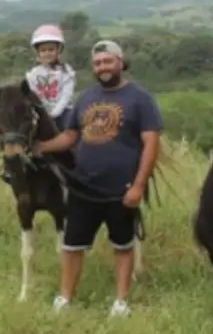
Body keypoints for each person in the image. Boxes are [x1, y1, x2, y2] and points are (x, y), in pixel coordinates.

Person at [34, 40, 164, 317]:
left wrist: (139, 185)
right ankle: (66, 298)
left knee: (123, 246)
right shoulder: (86, 97)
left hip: (122, 190)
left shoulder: (140, 98)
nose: (102, 67)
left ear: (120, 62)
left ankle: (120, 302)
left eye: (107, 61)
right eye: (97, 63)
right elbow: (70, 137)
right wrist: (41, 147)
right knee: (72, 246)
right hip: (84, 187)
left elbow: (151, 143)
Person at [25, 24, 77, 131]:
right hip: (41, 112)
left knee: (72, 128)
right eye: (43, 50)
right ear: (38, 52)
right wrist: (40, 113)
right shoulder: (33, 74)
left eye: (51, 49)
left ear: (58, 50)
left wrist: (54, 113)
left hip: (63, 111)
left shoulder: (66, 71)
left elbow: (66, 96)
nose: (47, 53)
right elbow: (33, 94)